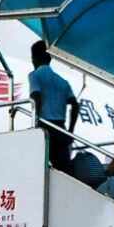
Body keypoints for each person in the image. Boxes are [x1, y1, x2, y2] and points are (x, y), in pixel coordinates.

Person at [28, 41, 79, 173]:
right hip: (61, 128)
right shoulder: (62, 81)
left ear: (35, 58)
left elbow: (36, 97)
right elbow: (75, 104)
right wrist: (71, 131)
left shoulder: (34, 75)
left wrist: (35, 123)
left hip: (45, 126)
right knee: (64, 170)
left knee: (40, 169)